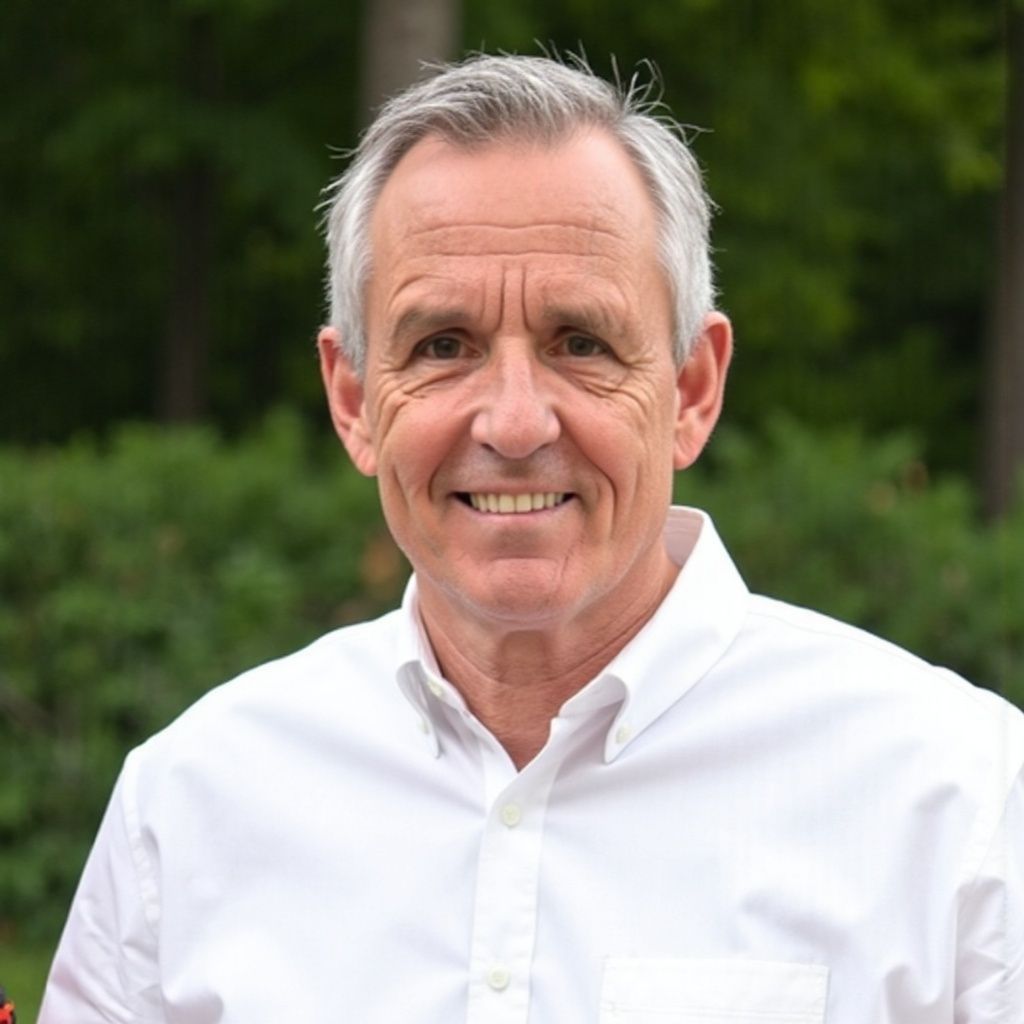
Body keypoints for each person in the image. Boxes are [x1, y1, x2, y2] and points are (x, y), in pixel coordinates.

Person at [41, 55, 1023, 1023]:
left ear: (691, 389)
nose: (513, 424)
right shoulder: (191, 807)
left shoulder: (958, 801)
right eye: (442, 347)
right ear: (353, 401)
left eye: (580, 343)